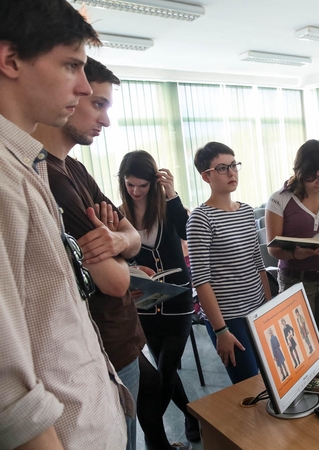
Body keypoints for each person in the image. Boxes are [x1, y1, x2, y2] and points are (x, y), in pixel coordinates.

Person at [0, 1, 129, 448]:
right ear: (11, 60)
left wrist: (120, 242)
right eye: (71, 65)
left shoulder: (28, 165)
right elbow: (9, 394)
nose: (79, 84)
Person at [33, 57, 146, 450]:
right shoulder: (48, 180)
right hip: (103, 346)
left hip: (122, 336)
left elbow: (133, 237)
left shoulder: (75, 170)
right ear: (71, 92)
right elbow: (116, 282)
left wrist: (116, 242)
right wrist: (122, 247)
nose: (106, 120)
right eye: (98, 104)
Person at [118, 150, 200, 446]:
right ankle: (191, 415)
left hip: (177, 299)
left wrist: (172, 194)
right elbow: (116, 259)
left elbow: (186, 232)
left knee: (167, 367)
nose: (136, 192)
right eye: (130, 185)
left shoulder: (167, 208)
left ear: (154, 183)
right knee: (162, 367)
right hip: (145, 303)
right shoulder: (119, 215)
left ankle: (153, 432)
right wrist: (129, 270)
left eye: (142, 185)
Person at [187, 141, 272, 384]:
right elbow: (201, 281)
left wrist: (267, 308)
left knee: (268, 378)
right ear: (206, 176)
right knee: (247, 386)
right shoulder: (200, 219)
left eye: (234, 165)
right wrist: (221, 330)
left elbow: (258, 265)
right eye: (222, 168)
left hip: (256, 310)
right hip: (229, 318)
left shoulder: (245, 211)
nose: (232, 172)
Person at [265, 139, 319, 344]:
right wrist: (296, 254)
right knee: (304, 348)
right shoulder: (279, 199)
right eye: (314, 177)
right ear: (300, 171)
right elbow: (274, 248)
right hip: (295, 280)